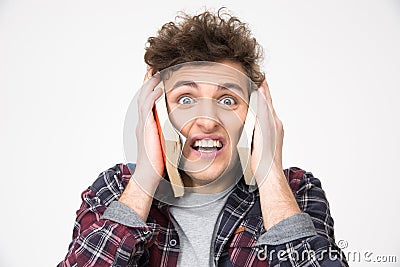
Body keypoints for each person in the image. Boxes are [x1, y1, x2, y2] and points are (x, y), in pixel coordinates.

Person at [58, 8, 349, 267]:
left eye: (227, 100)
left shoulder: (297, 191)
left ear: (253, 114)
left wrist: (270, 173)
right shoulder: (114, 189)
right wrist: (145, 178)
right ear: (158, 113)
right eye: (186, 99)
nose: (208, 121)